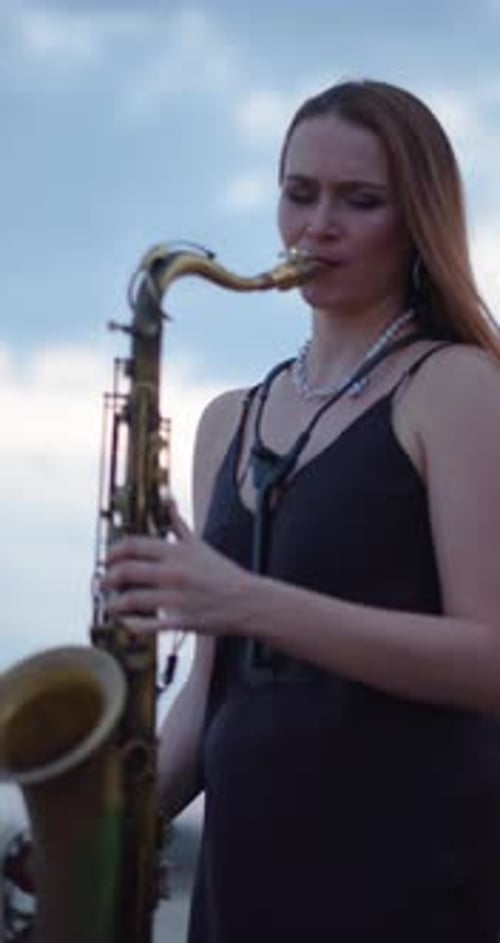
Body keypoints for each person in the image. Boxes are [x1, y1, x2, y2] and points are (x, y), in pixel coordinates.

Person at [103, 79, 500, 941]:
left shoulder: (457, 387)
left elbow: (490, 658)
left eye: (359, 201)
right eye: (299, 193)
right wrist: (97, 832)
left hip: (411, 886)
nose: (317, 225)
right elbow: (212, 693)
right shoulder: (227, 420)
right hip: (242, 889)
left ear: (418, 218)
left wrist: (246, 600)